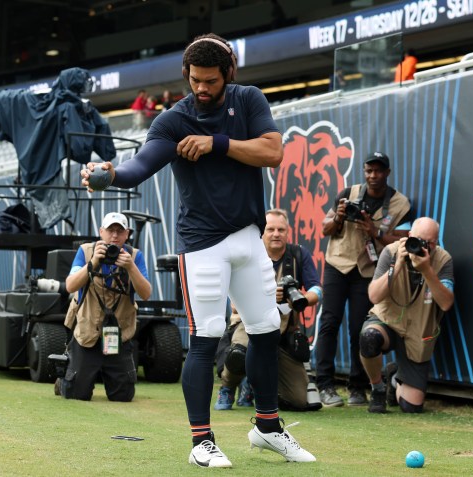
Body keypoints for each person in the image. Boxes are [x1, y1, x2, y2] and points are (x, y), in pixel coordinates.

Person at [82, 33, 316, 467]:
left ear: (228, 73)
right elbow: (139, 168)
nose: (202, 89)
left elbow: (274, 151)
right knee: (206, 336)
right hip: (203, 244)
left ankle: (267, 427)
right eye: (195, 80)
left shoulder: (247, 100)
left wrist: (217, 144)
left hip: (249, 236)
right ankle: (201, 441)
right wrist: (108, 173)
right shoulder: (174, 120)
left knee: (266, 327)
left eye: (210, 80)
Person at [315, 151, 413, 407]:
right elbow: (324, 228)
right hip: (338, 263)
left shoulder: (399, 203)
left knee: (359, 328)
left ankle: (357, 387)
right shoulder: (348, 193)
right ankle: (324, 384)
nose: (373, 176)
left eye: (378, 171)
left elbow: (405, 238)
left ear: (387, 173)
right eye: (369, 170)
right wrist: (338, 215)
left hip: (368, 269)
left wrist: (374, 230)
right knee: (329, 322)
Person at [214, 208, 323, 412]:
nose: (276, 234)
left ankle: (254, 384)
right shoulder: (247, 255)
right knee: (239, 354)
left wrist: (299, 300)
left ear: (288, 231)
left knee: (299, 400)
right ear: (262, 232)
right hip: (248, 324)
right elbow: (234, 303)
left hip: (284, 331)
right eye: (270, 229)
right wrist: (268, 297)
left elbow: (317, 289)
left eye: (281, 229)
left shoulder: (299, 254)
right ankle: (228, 386)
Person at [359, 217, 454, 413]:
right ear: (409, 236)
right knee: (369, 338)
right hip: (388, 321)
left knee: (411, 406)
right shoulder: (392, 252)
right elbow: (374, 296)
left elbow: (446, 303)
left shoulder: (443, 260)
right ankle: (377, 388)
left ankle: (393, 378)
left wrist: (427, 270)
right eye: (418, 240)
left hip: (418, 333)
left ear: (436, 242)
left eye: (430, 242)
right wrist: (397, 266)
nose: (422, 246)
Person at [56, 212, 151, 402]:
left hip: (118, 333)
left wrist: (131, 267)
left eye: (119, 231)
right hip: (88, 330)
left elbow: (146, 294)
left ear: (127, 235)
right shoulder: (86, 251)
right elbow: (70, 286)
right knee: (77, 394)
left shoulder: (134, 256)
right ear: (101, 232)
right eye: (110, 230)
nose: (114, 236)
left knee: (123, 396)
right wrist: (93, 263)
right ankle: (63, 381)